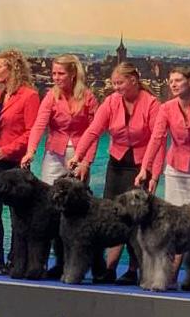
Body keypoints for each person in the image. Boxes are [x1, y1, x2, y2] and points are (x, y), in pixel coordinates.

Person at [68, 62, 160, 284]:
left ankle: (134, 270)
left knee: (136, 221)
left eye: (120, 83)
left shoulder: (152, 104)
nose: (116, 87)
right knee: (112, 216)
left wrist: (153, 174)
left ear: (133, 81)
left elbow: (158, 141)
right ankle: (109, 268)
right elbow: (93, 131)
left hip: (141, 167)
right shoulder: (111, 102)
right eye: (114, 83)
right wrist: (78, 156)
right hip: (116, 165)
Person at [0, 49, 40, 275]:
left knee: (16, 216)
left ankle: (15, 260)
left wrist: (9, 150)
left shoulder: (30, 96)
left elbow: (32, 132)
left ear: (14, 69)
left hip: (14, 164)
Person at [135, 67, 190, 201]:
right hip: (175, 171)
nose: (173, 85)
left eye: (178, 80)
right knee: (173, 212)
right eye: (171, 82)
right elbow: (156, 139)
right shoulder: (166, 108)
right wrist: (145, 168)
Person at [21, 54, 98, 184]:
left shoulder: (88, 97)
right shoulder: (50, 96)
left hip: (80, 157)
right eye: (54, 73)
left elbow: (93, 133)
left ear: (73, 74)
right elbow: (39, 125)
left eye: (61, 74)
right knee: (49, 193)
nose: (56, 78)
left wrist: (86, 162)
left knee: (77, 195)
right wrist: (30, 151)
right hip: (54, 155)